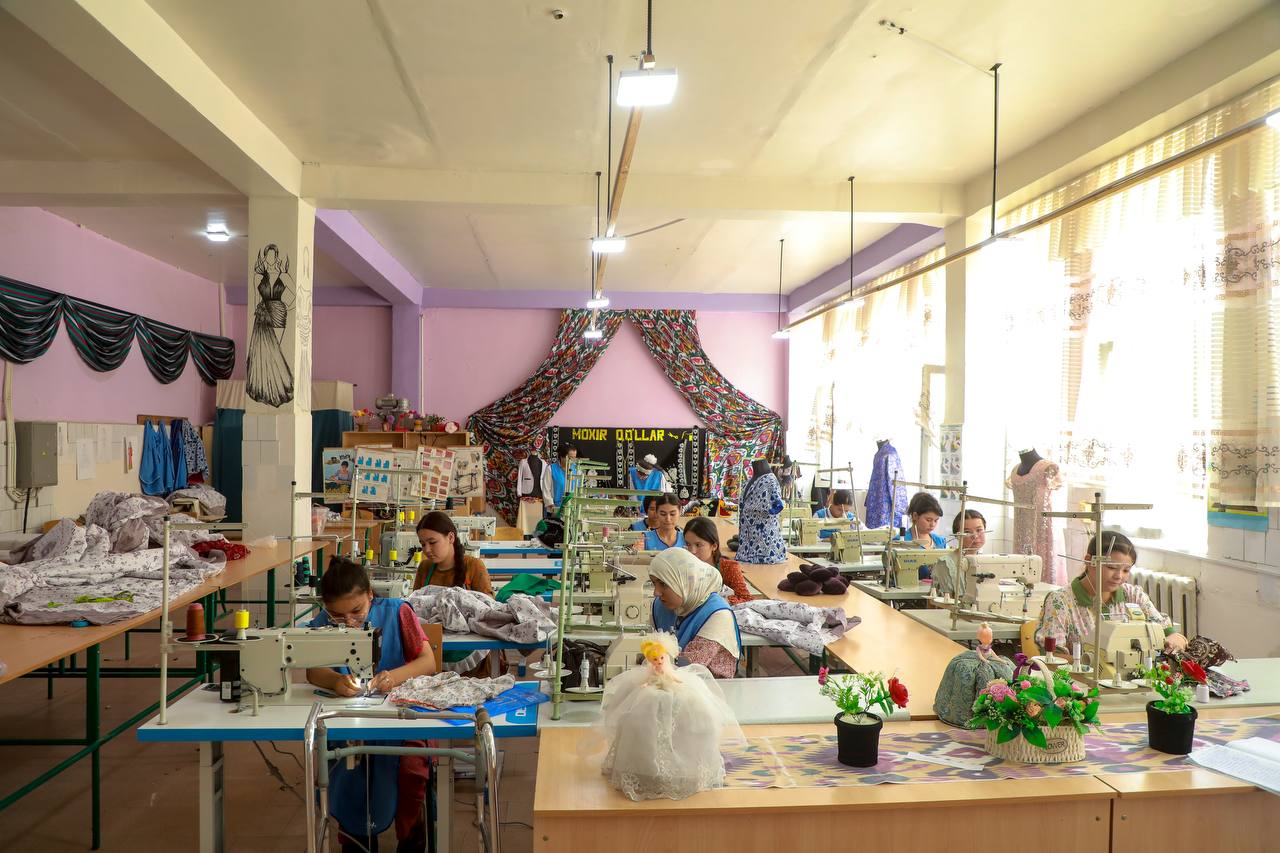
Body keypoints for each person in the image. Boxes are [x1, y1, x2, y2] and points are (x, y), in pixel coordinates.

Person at [306, 557, 438, 853]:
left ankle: (411, 836)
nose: (349, 623)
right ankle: (356, 841)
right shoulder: (322, 624)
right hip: (347, 722)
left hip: (403, 719)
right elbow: (313, 671)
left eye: (357, 612)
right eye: (338, 616)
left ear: (370, 595)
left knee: (411, 770)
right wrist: (335, 681)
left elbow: (428, 661)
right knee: (346, 772)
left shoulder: (397, 612)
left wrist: (394, 676)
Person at [1035, 532, 1188, 653]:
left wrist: (1175, 639)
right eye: (1111, 568)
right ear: (1089, 561)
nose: (1119, 576)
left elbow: (1169, 632)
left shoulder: (1134, 596)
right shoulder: (1061, 601)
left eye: (1126, 570)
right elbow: (1052, 656)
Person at [648, 548, 742, 679]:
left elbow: (687, 666)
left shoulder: (718, 615)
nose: (656, 592)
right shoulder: (661, 606)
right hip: (672, 681)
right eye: (654, 583)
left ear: (684, 582)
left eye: (663, 584)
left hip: (712, 687)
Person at [682, 516, 751, 604]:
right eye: (688, 544)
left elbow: (746, 599)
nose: (692, 551)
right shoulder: (683, 567)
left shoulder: (729, 568)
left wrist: (719, 602)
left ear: (714, 546)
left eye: (698, 545)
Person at [734, 459, 787, 564]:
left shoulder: (770, 480)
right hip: (746, 546)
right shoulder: (750, 480)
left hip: (765, 548)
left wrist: (771, 510)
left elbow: (779, 504)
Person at [541, 443, 577, 509]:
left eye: (574, 458)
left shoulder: (577, 469)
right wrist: (551, 505)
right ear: (562, 457)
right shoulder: (551, 468)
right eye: (570, 458)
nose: (572, 461)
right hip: (555, 507)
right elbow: (546, 489)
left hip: (573, 507)